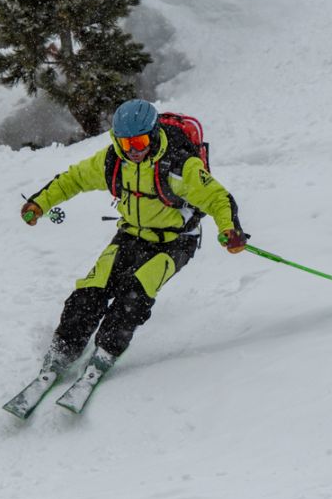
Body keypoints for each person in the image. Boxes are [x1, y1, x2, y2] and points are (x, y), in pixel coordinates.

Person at [20, 99, 248, 383]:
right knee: (90, 291)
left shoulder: (179, 166)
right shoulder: (113, 160)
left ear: (153, 135)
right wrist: (39, 204)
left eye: (139, 142)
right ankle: (63, 349)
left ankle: (106, 351)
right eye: (125, 143)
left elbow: (217, 198)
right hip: (130, 235)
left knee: (134, 295)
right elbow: (73, 179)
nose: (134, 151)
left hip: (174, 242)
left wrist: (229, 230)